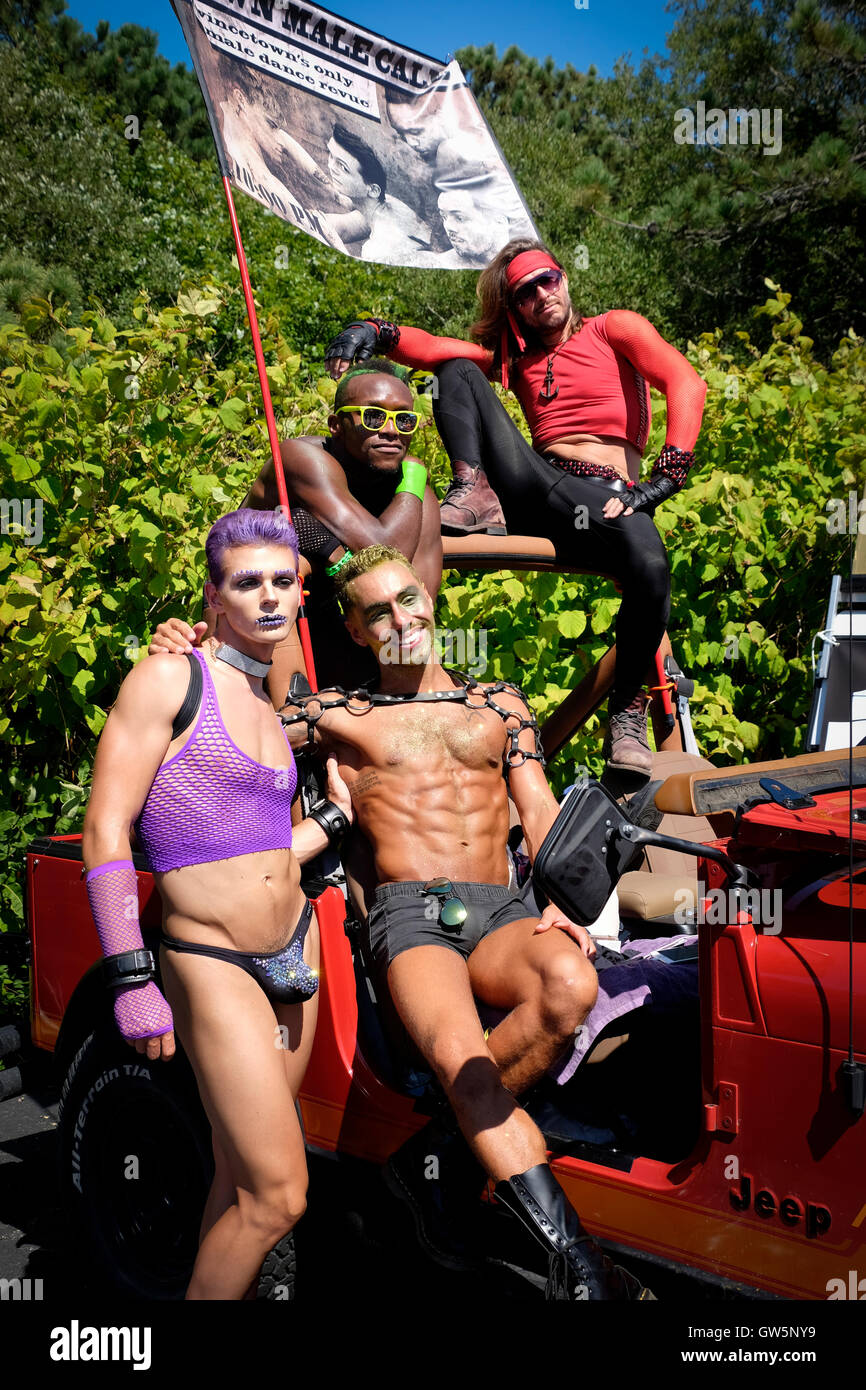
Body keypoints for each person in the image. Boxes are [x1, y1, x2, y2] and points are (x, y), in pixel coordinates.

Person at [278, 543, 655, 1301]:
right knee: (463, 1060)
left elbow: (540, 810)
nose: (400, 619)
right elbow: (221, 724)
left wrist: (569, 902)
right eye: (377, 611)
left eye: (408, 599)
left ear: (429, 599)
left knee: (570, 985)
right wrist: (189, 644)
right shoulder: (334, 718)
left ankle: (435, 1161)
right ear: (354, 631)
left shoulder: (498, 706)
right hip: (410, 917)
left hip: (502, 908)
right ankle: (584, 1275)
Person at [81, 508, 354, 1300]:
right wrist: (131, 978)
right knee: (280, 1196)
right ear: (213, 596)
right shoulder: (174, 675)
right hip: (211, 960)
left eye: (281, 581)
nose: (268, 596)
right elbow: (106, 829)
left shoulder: (269, 699)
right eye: (247, 583)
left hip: (293, 951)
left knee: (239, 1182)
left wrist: (329, 820)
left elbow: (259, 845)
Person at [323, 239, 708, 778]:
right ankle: (473, 489)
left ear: (565, 278)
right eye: (525, 292)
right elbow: (434, 348)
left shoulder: (612, 328)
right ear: (515, 307)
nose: (540, 294)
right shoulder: (517, 359)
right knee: (456, 369)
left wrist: (668, 473)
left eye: (546, 279)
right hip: (535, 487)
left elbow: (684, 380)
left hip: (605, 498)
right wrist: (374, 331)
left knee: (650, 565)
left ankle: (625, 715)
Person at [149, 360, 443, 694]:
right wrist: (416, 470)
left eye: (404, 420)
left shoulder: (418, 501)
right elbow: (387, 553)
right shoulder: (303, 457)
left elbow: (413, 610)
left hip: (355, 638)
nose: (391, 431)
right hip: (247, 629)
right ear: (336, 424)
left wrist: (335, 558)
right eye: (373, 417)